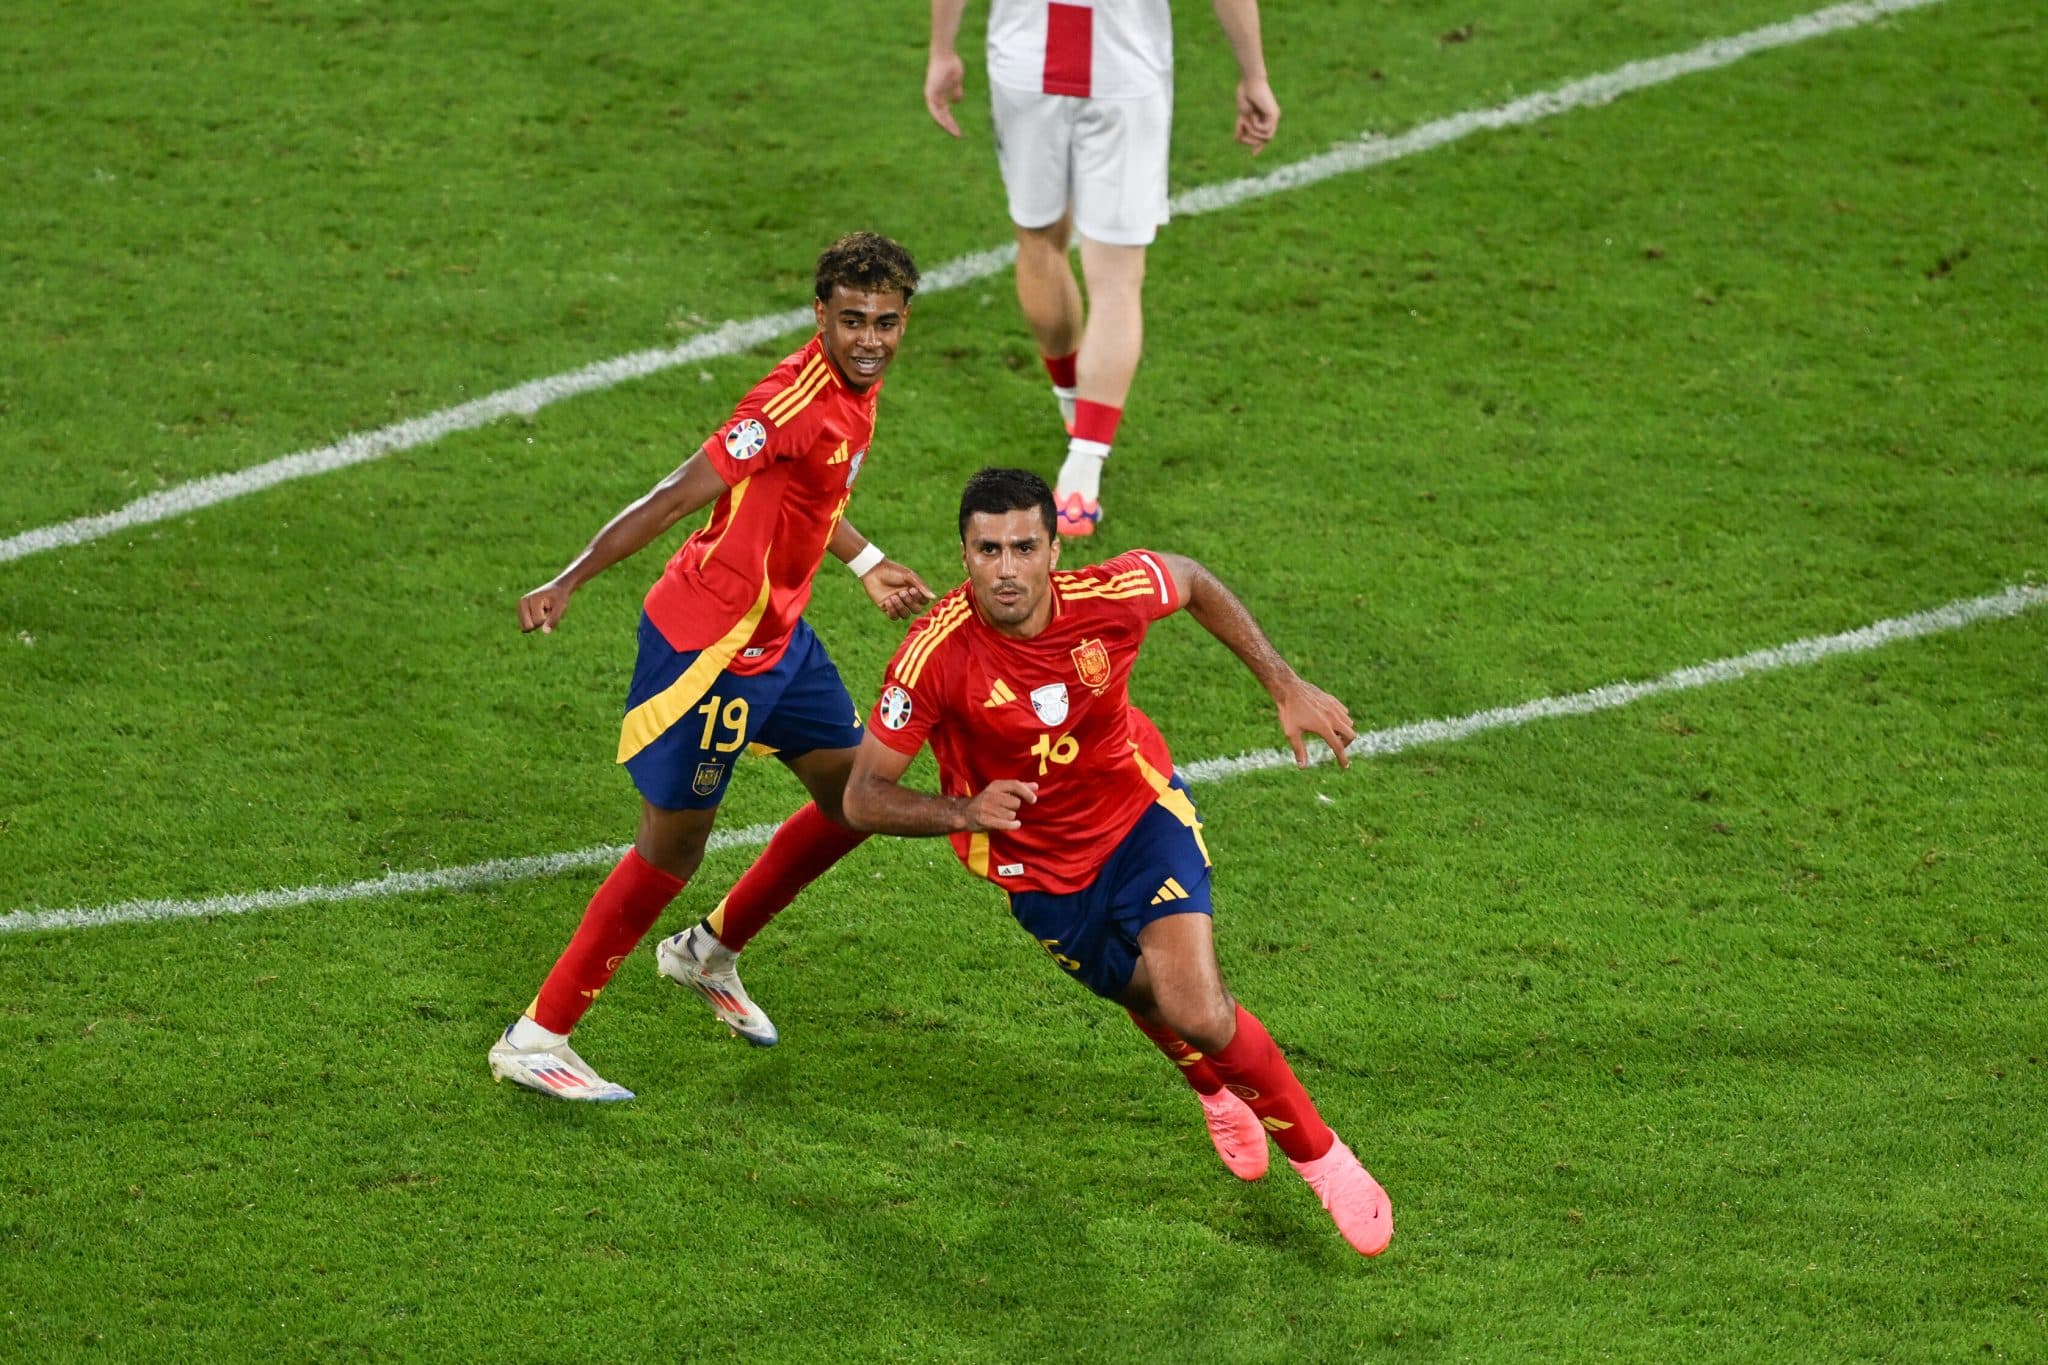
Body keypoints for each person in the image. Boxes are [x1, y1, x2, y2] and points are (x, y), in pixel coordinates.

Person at [840, 467, 1391, 1257]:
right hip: (1037, 872)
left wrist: (1282, 680)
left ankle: (1324, 1158)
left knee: (1197, 1005)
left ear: (1052, 549)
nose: (1006, 568)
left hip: (1138, 820)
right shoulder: (933, 657)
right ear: (963, 555)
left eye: (1023, 546)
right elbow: (862, 796)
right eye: (987, 549)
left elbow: (1193, 580)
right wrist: (962, 810)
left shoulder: (1109, 596)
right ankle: (1211, 1087)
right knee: (1147, 996)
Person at [488, 232, 935, 1102]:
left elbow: (812, 493)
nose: (870, 338)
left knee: (856, 801)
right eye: (851, 321)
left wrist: (865, 558)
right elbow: (675, 494)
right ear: (820, 315)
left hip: (782, 641)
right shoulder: (789, 399)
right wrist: (569, 578)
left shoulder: (856, 390)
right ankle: (536, 1035)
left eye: (885, 321)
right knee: (673, 846)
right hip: (712, 650)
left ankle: (705, 954)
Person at [923, 0, 1280, 537]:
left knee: (1039, 243)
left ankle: (1072, 401)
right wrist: (1254, 73)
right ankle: (1082, 469)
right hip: (1123, 69)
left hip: (1026, 63)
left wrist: (942, 50)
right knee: (1115, 278)